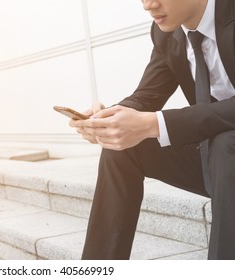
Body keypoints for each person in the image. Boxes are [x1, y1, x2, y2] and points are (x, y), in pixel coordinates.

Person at [69, 0, 235, 260]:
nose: (148, 5)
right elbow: (146, 96)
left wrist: (154, 123)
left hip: (228, 156)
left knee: (227, 142)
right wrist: (109, 118)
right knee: (123, 147)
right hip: (216, 166)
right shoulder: (166, 33)